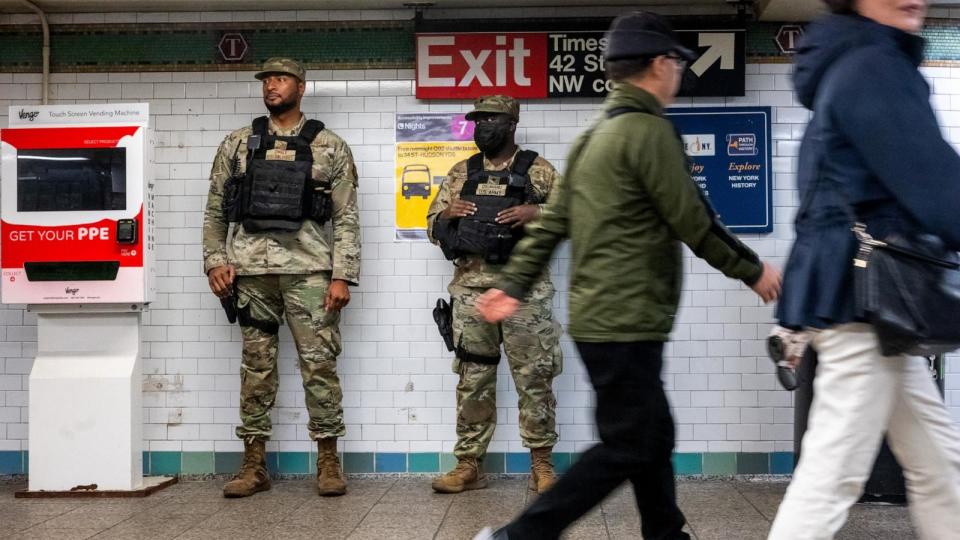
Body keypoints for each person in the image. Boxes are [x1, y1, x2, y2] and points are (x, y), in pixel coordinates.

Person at [473, 12, 782, 540]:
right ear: (659, 64)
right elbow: (694, 218)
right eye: (677, 64)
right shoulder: (648, 132)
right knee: (629, 443)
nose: (679, 75)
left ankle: (666, 532)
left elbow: (549, 229)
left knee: (652, 433)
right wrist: (751, 270)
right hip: (628, 319)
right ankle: (518, 537)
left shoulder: (594, 138)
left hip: (602, 319)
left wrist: (513, 285)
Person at [767, 1, 960, 538]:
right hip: (865, 302)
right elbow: (935, 184)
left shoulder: (844, 67)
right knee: (832, 478)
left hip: (872, 303)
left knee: (940, 464)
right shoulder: (872, 65)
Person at [202, 57, 361, 498]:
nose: (271, 86)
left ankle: (328, 462)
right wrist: (216, 260)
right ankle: (254, 465)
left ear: (301, 87)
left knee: (320, 366)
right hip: (250, 274)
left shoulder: (329, 146)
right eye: (267, 80)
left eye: (281, 79)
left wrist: (342, 275)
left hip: (309, 271)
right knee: (256, 370)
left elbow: (346, 218)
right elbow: (215, 208)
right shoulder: (237, 144)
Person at [427, 95, 563, 495]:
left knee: (534, 376)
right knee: (473, 378)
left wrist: (537, 214)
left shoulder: (539, 171)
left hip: (526, 292)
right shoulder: (461, 172)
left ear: (511, 123)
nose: (482, 125)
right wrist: (445, 216)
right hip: (471, 291)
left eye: (491, 118)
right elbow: (432, 224)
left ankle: (541, 464)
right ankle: (468, 464)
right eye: (478, 119)